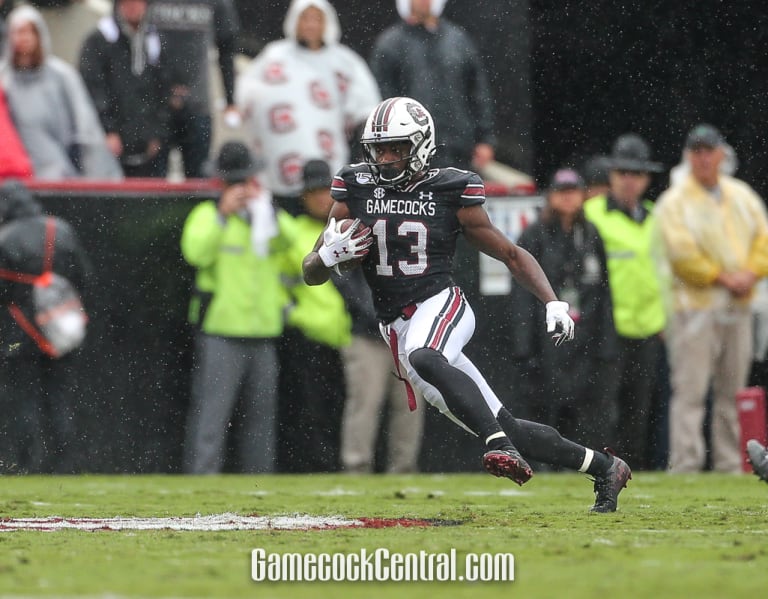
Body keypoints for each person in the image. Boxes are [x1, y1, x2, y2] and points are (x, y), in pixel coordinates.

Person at [302, 96, 631, 512]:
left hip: (439, 304)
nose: (385, 158)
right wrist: (327, 258)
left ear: (421, 145)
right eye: (379, 148)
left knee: (426, 355)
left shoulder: (450, 188)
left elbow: (509, 253)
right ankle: (604, 467)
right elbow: (310, 271)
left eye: (396, 148)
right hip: (395, 328)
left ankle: (499, 447)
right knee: (508, 425)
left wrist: (551, 301)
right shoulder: (355, 186)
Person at [656, 124, 768, 473]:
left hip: (738, 306)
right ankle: (686, 465)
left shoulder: (742, 195)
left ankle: (731, 463)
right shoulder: (675, 201)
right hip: (695, 309)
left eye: (710, 150)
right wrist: (722, 277)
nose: (704, 158)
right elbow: (680, 253)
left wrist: (750, 273)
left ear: (722, 154)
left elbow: (763, 240)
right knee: (690, 392)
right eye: (697, 151)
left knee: (732, 392)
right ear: (689, 157)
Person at [181, 142, 291, 474]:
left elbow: (292, 245)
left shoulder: (267, 220)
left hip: (263, 332)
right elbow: (195, 253)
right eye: (235, 183)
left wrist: (267, 213)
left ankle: (259, 487)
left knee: (261, 421)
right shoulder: (206, 216)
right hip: (221, 332)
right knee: (212, 417)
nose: (242, 189)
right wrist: (222, 215)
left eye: (247, 181)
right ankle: (201, 481)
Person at [236, 0, 380, 216]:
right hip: (279, 170)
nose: (310, 25)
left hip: (326, 162)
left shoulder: (344, 61)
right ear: (294, 21)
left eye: (316, 19)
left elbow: (367, 109)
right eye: (305, 18)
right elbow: (246, 94)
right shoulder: (275, 55)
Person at [510, 168, 617, 454]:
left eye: (574, 192)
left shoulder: (591, 234)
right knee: (545, 402)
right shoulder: (534, 235)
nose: (568, 199)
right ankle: (543, 459)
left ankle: (577, 460)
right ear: (551, 196)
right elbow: (522, 295)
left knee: (582, 405)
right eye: (562, 192)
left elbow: (604, 291)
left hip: (584, 334)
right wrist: (524, 348)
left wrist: (606, 344)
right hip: (547, 336)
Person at [583, 134, 667, 471]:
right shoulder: (591, 215)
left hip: (648, 326)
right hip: (607, 328)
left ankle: (631, 472)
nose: (630, 181)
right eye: (623, 173)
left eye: (637, 174)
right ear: (612, 176)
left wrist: (665, 320)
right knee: (603, 408)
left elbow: (664, 273)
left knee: (639, 409)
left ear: (646, 179)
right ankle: (601, 471)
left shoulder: (655, 218)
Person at [0, 180, 92, 473]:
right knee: (61, 398)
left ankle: (28, 464)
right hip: (61, 328)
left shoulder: (5, 238)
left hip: (20, 331)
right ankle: (65, 465)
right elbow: (84, 278)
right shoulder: (61, 230)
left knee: (24, 399)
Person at [276, 159, 352, 473]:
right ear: (303, 197)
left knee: (339, 410)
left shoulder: (345, 229)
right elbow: (277, 283)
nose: (323, 199)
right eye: (315, 192)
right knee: (309, 412)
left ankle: (332, 467)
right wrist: (295, 316)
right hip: (307, 339)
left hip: (346, 338)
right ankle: (313, 469)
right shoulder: (291, 233)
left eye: (328, 192)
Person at [369, 0, 495, 171]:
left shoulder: (458, 39)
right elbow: (383, 98)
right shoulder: (390, 43)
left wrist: (484, 139)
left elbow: (477, 92)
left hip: (458, 146)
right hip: (411, 148)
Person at [0, 4, 122, 180]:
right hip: (15, 179)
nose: (24, 38)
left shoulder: (62, 77)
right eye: (18, 32)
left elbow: (86, 130)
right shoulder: (4, 80)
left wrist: (101, 178)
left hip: (58, 174)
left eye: (30, 31)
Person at [148, 0, 240, 178]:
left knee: (199, 180)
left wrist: (230, 99)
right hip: (154, 107)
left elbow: (227, 50)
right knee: (152, 182)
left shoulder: (217, 3)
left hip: (198, 105)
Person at [79, 0, 170, 178]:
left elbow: (162, 89)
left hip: (146, 147)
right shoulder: (99, 40)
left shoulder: (155, 39)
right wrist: (108, 130)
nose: (133, 6)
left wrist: (156, 132)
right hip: (110, 142)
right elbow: (92, 88)